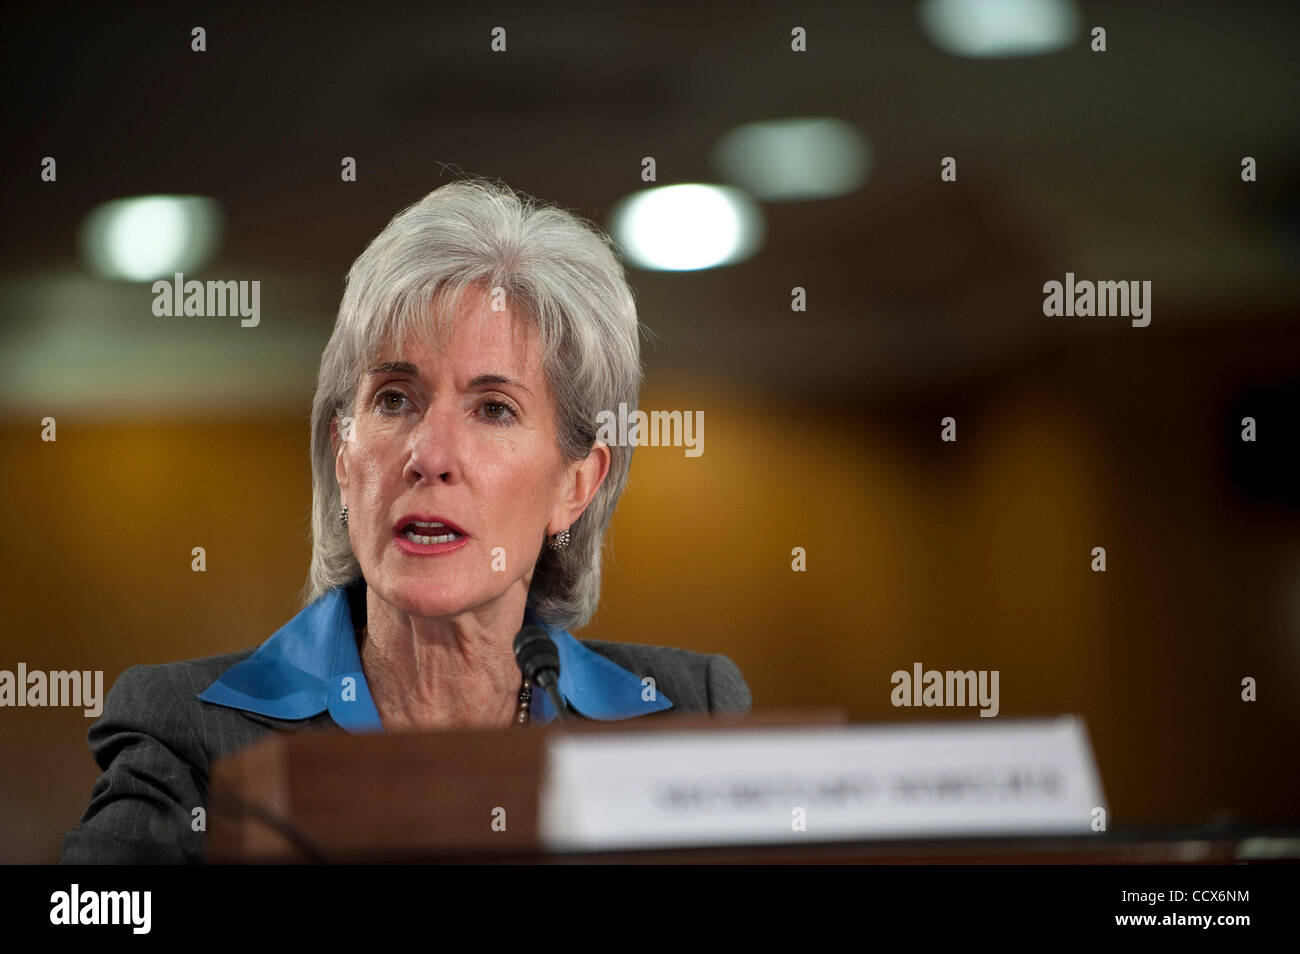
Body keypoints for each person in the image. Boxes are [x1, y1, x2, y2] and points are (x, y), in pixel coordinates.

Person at [59, 177, 751, 864]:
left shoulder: (690, 715)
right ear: (342, 453)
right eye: (394, 399)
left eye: (494, 409)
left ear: (576, 486)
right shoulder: (192, 734)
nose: (430, 455)